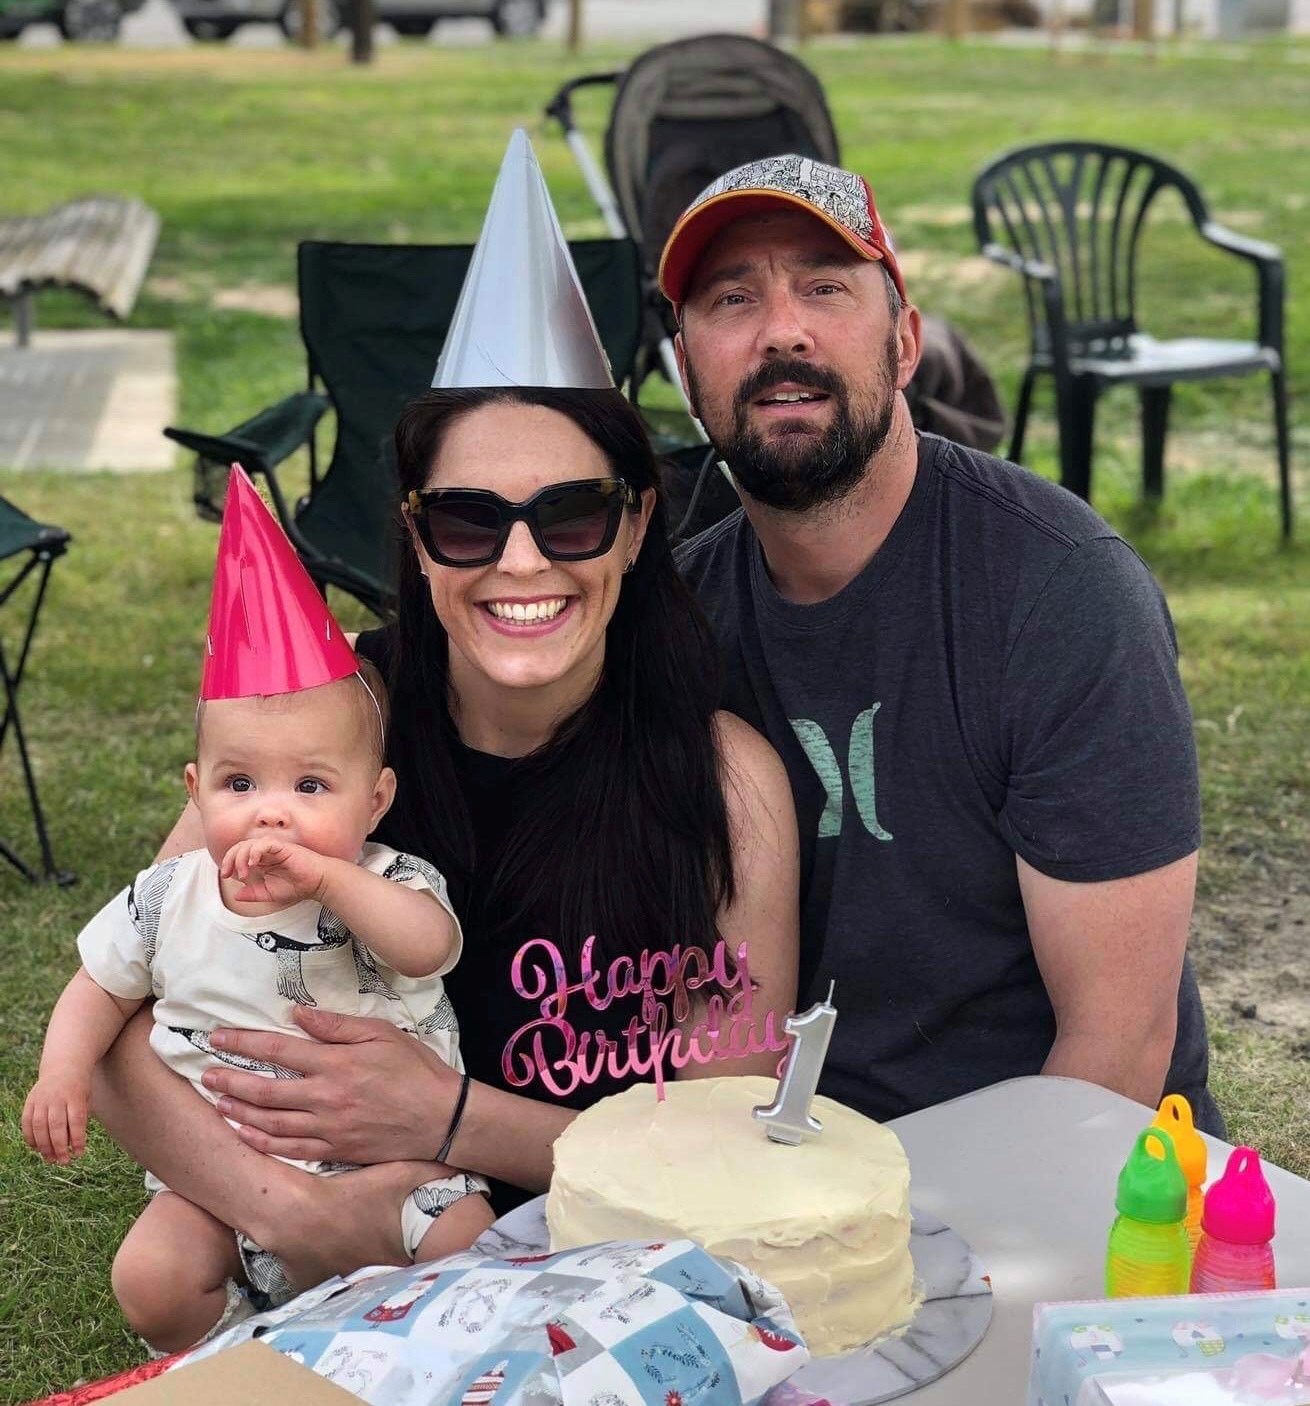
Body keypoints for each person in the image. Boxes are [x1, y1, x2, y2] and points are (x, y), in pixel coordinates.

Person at [87, 132, 799, 1296]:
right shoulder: (326, 731)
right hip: (325, 1249)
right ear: (415, 538)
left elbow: (735, 1130)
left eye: (569, 514)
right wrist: (300, 1213)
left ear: (631, 524)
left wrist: (453, 1115)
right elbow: (117, 1021)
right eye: (468, 520)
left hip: (596, 1258)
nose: (521, 562)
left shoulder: (719, 782)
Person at [657, 152, 1222, 1134]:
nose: (781, 329)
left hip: (1069, 1167)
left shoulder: (1058, 591)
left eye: (825, 287)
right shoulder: (680, 617)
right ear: (681, 367)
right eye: (730, 299)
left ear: (906, 343)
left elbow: (1116, 1048)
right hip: (799, 1169)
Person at [22, 473, 494, 1354]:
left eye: (312, 786)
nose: (272, 812)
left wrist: (330, 879)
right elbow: (98, 985)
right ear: (196, 795)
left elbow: (427, 950)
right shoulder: (169, 896)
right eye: (241, 784)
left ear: (376, 801)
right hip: (217, 1177)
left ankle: (412, 1357)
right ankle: (245, 1352)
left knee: (468, 1241)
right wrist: (61, 1073)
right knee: (150, 1279)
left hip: (390, 1167)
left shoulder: (389, 879)